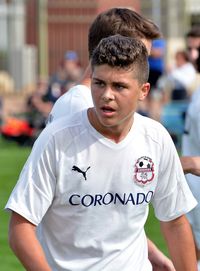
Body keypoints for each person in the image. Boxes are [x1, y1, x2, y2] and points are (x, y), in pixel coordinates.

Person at [5, 34, 197, 271]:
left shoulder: (156, 138)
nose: (107, 94)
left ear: (143, 90)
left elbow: (175, 222)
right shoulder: (57, 139)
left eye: (119, 86)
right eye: (99, 83)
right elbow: (20, 227)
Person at [182, 25, 200, 269]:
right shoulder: (196, 90)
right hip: (192, 188)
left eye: (199, 49)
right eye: (190, 49)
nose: (193, 55)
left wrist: (188, 163)